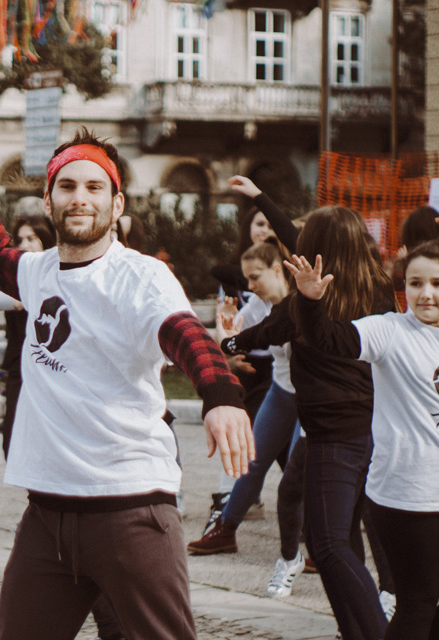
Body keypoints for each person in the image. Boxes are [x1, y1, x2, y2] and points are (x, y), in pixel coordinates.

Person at [0, 96, 252, 640]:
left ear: (116, 202)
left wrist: (221, 395)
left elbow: (184, 335)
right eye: (67, 186)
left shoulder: (141, 277)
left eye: (94, 187)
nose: (80, 198)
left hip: (132, 512)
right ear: (48, 200)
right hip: (47, 519)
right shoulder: (37, 271)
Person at [217, 205, 396, 639]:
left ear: (316, 248)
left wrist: (228, 342)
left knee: (329, 544)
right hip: (366, 429)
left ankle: (374, 631)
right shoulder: (377, 289)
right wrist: (262, 197)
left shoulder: (308, 303)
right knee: (335, 539)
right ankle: (355, 631)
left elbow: (266, 333)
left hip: (334, 436)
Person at [287, 239, 439, 640]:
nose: (426, 294)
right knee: (419, 603)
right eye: (416, 283)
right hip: (407, 497)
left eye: (437, 283)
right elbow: (326, 338)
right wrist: (310, 301)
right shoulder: (390, 331)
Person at [188, 242, 306, 597]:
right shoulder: (257, 306)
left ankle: (312, 544)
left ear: (277, 269)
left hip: (312, 398)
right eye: (247, 280)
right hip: (282, 392)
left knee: (301, 473)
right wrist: (226, 339)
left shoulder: (305, 300)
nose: (250, 286)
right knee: (252, 459)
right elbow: (232, 341)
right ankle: (225, 530)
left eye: (255, 277)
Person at [0, 215, 56, 458]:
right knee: (12, 438)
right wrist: (26, 299)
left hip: (51, 366)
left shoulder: (58, 271)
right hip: (19, 364)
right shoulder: (17, 273)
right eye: (20, 240)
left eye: (31, 238)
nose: (24, 245)